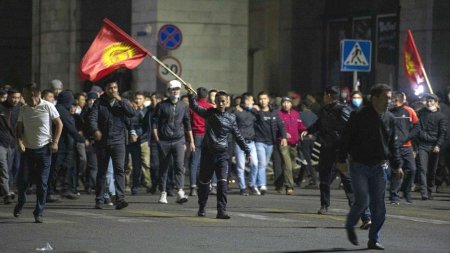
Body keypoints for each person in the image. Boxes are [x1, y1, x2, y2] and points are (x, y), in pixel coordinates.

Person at [339, 83, 403, 250]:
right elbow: (346, 138)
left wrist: (397, 165)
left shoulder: (389, 118)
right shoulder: (359, 115)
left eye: (390, 98)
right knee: (362, 200)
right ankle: (350, 224)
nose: (389, 101)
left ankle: (373, 239)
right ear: (375, 98)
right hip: (359, 165)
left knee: (379, 206)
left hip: (379, 167)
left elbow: (393, 143)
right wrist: (340, 159)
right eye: (386, 98)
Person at [187, 84, 250, 219]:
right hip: (208, 153)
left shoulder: (231, 118)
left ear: (227, 102)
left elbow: (237, 135)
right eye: (219, 101)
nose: (221, 104)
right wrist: (190, 94)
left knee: (222, 183)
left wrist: (247, 149)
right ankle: (202, 206)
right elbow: (195, 107)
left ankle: (221, 211)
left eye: (224, 101)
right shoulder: (209, 113)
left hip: (222, 155)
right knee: (204, 183)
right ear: (214, 102)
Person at [301, 86, 354, 215]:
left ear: (329, 95)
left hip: (340, 149)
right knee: (324, 177)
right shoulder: (325, 109)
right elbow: (319, 124)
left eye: (325, 95)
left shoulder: (343, 110)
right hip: (326, 147)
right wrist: (308, 130)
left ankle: (354, 204)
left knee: (346, 178)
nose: (323, 97)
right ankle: (324, 204)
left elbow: (351, 128)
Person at [14, 83, 63, 223]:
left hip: (44, 150)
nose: (23, 97)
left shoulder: (48, 106)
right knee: (23, 182)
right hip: (27, 150)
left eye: (25, 94)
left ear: (34, 95)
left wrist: (55, 142)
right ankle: (21, 202)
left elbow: (59, 124)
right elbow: (18, 128)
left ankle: (39, 212)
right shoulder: (23, 109)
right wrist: (20, 142)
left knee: (42, 183)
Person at [88, 76, 136, 210]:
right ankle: (99, 199)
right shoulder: (99, 103)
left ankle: (120, 199)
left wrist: (120, 100)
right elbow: (92, 118)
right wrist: (95, 130)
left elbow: (132, 114)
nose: (113, 90)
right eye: (110, 88)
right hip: (102, 142)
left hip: (118, 141)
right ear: (105, 90)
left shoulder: (123, 102)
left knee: (119, 169)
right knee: (102, 171)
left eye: (115, 87)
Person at [152, 80, 194, 204]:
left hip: (179, 140)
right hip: (164, 141)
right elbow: (154, 123)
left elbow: (187, 124)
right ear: (168, 91)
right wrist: (157, 139)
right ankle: (163, 192)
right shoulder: (161, 105)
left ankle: (180, 191)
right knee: (164, 168)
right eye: (173, 89)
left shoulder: (184, 106)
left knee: (179, 166)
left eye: (177, 89)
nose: (175, 91)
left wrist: (191, 141)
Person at [251, 91, 287, 195]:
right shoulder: (255, 111)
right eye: (260, 99)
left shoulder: (274, 112)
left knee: (264, 164)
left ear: (268, 100)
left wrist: (284, 137)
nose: (262, 101)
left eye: (264, 99)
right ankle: (262, 185)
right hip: (259, 141)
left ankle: (255, 183)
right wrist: (254, 110)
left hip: (271, 142)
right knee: (262, 163)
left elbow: (281, 125)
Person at [413, 93, 447, 200]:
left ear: (436, 103)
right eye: (427, 101)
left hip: (434, 146)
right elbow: (416, 127)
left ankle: (430, 189)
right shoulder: (421, 113)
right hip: (422, 145)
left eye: (431, 101)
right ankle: (424, 192)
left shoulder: (441, 117)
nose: (428, 103)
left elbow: (442, 133)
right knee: (422, 169)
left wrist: (438, 145)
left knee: (432, 170)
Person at [388, 91, 418, 204]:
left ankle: (406, 192)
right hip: (394, 147)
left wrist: (407, 138)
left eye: (392, 99)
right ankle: (394, 196)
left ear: (397, 100)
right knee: (396, 171)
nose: (390, 101)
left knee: (412, 169)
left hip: (407, 146)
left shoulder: (409, 111)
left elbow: (417, 127)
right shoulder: (389, 113)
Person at [277, 96, 306, 194]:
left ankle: (279, 183)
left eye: (288, 102)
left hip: (294, 144)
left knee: (291, 166)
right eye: (284, 102)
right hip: (283, 143)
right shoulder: (278, 114)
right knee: (288, 165)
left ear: (291, 104)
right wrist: (283, 134)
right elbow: (275, 128)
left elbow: (300, 126)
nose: (286, 104)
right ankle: (289, 187)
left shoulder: (296, 114)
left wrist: (305, 131)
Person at [188, 87, 213, 196]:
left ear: (197, 95)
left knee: (194, 162)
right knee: (208, 162)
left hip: (196, 135)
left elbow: (188, 124)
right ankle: (209, 185)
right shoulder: (211, 107)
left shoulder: (192, 108)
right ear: (207, 96)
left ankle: (193, 187)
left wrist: (190, 140)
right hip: (208, 136)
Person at [234, 92, 258, 196]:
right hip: (240, 142)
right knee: (240, 166)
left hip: (251, 142)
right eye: (252, 100)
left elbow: (261, 116)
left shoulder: (253, 111)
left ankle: (251, 184)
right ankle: (242, 187)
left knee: (255, 164)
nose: (253, 102)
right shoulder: (237, 112)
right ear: (247, 101)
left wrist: (255, 109)